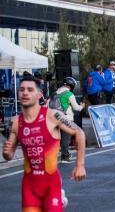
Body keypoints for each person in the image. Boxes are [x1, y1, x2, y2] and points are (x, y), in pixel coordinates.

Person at [2, 76, 86, 211]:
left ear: (39, 94)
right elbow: (9, 155)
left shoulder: (52, 116)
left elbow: (79, 133)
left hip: (50, 185)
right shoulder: (16, 122)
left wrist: (80, 165)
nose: (25, 93)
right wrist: (6, 153)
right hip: (29, 186)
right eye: (22, 89)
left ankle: (59, 197)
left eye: (30, 90)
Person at [55, 77, 85, 163]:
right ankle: (65, 157)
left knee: (56, 138)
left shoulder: (55, 93)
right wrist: (82, 106)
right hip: (66, 118)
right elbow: (76, 108)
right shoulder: (69, 94)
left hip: (54, 118)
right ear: (71, 85)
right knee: (65, 138)